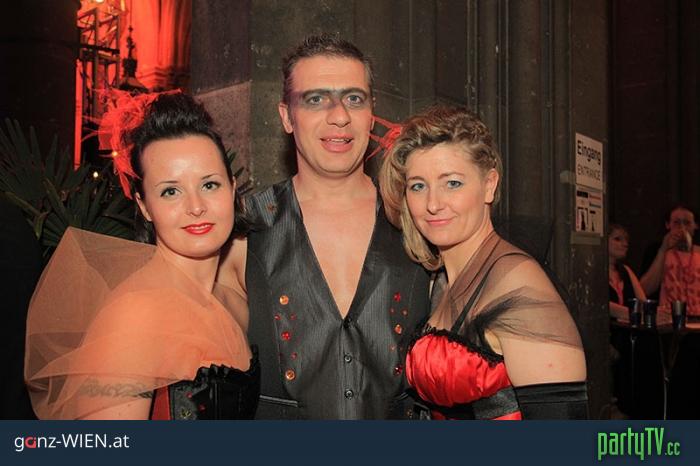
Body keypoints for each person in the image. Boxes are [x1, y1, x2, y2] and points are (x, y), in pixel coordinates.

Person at [219, 35, 430, 419]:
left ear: (371, 113)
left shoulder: (419, 217)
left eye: (354, 99)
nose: (340, 116)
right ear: (287, 117)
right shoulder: (242, 227)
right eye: (316, 99)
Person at [25, 92, 259, 420]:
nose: (196, 207)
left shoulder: (232, 298)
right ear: (144, 206)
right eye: (170, 191)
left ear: (232, 188)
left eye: (209, 185)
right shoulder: (136, 315)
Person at [379, 105, 587, 419]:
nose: (433, 204)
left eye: (452, 183)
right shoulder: (439, 279)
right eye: (418, 186)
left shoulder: (517, 286)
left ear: (489, 185)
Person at [640, 204, 699, 315]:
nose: (682, 228)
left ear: (695, 225)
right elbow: (645, 290)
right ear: (668, 225)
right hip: (667, 318)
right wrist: (663, 249)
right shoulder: (656, 250)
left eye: (687, 223)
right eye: (676, 222)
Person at [608, 223, 646, 319]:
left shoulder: (626, 270)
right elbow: (602, 304)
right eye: (617, 239)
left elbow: (643, 302)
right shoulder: (595, 272)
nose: (625, 244)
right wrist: (632, 313)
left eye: (626, 240)